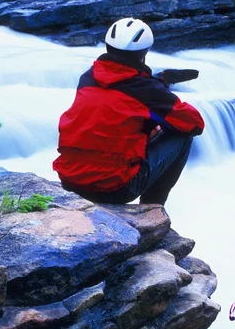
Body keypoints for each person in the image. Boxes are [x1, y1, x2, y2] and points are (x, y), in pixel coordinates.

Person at [53, 17, 204, 206]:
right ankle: (152, 209)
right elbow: (195, 124)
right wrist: (161, 92)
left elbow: (110, 119)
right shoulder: (147, 89)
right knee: (182, 137)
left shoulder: (88, 78)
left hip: (70, 181)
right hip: (115, 189)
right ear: (144, 53)